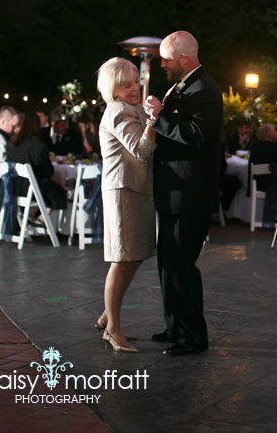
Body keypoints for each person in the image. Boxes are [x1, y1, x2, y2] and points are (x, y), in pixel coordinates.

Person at [143, 30, 222, 355]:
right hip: (175, 192)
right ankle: (175, 326)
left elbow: (198, 134)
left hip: (190, 194)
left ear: (185, 58)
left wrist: (160, 116)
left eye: (166, 59)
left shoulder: (205, 89)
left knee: (181, 265)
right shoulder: (185, 86)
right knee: (169, 263)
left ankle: (192, 336)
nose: (162, 64)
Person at [93, 57, 157, 354]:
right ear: (113, 89)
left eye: (135, 81)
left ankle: (108, 315)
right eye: (126, 84)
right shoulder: (118, 111)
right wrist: (154, 120)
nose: (135, 88)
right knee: (122, 259)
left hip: (134, 189)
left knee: (133, 256)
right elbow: (142, 150)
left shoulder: (131, 108)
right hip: (123, 191)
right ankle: (113, 330)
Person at [6, 112, 67, 211]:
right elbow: (48, 171)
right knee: (58, 190)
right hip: (31, 189)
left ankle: (31, 216)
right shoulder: (37, 144)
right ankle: (40, 218)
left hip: (13, 186)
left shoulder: (11, 143)